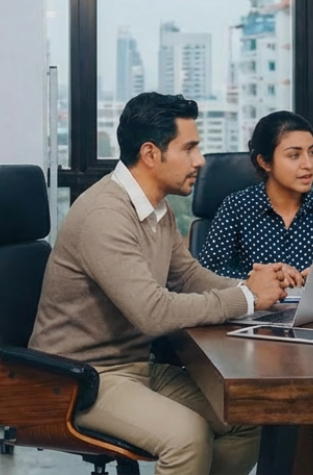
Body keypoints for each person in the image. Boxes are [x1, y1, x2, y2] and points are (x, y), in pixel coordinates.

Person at [30, 92, 293, 475]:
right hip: (79, 378)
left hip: (136, 367)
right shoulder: (105, 215)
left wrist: (254, 288)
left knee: (243, 415)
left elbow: (187, 277)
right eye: (189, 148)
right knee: (187, 437)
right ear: (151, 154)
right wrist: (248, 298)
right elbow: (152, 313)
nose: (199, 160)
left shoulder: (156, 208)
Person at [193, 109, 313, 474]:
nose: (308, 164)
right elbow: (205, 274)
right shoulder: (238, 207)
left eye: (312, 152)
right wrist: (261, 278)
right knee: (297, 412)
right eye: (294, 155)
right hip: (257, 340)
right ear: (264, 162)